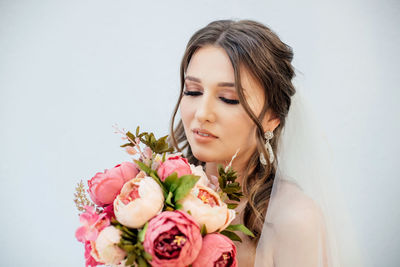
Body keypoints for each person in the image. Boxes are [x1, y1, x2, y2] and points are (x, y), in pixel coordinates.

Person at [169, 19, 361, 267]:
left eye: (229, 99)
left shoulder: (293, 220)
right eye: (193, 92)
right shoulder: (157, 196)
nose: (202, 113)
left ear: (272, 118)